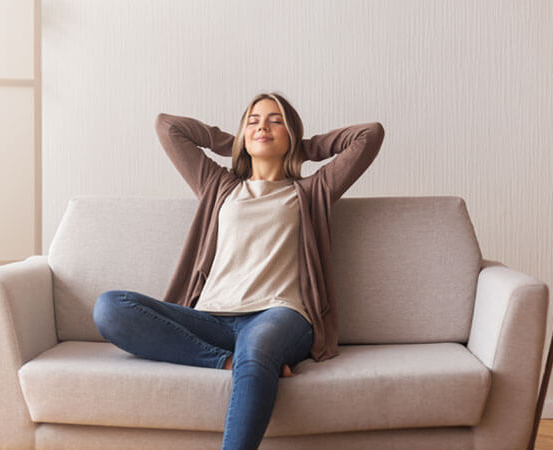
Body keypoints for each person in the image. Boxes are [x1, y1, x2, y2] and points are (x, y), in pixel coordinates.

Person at [93, 92, 384, 450]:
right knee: (110, 307)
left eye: (275, 120)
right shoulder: (219, 186)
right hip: (213, 319)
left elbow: (369, 135)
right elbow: (168, 127)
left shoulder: (312, 191)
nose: (263, 126)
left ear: (291, 133)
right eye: (253, 121)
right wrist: (238, 144)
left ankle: (251, 359)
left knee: (258, 344)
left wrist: (301, 146)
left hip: (279, 315)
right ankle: (228, 361)